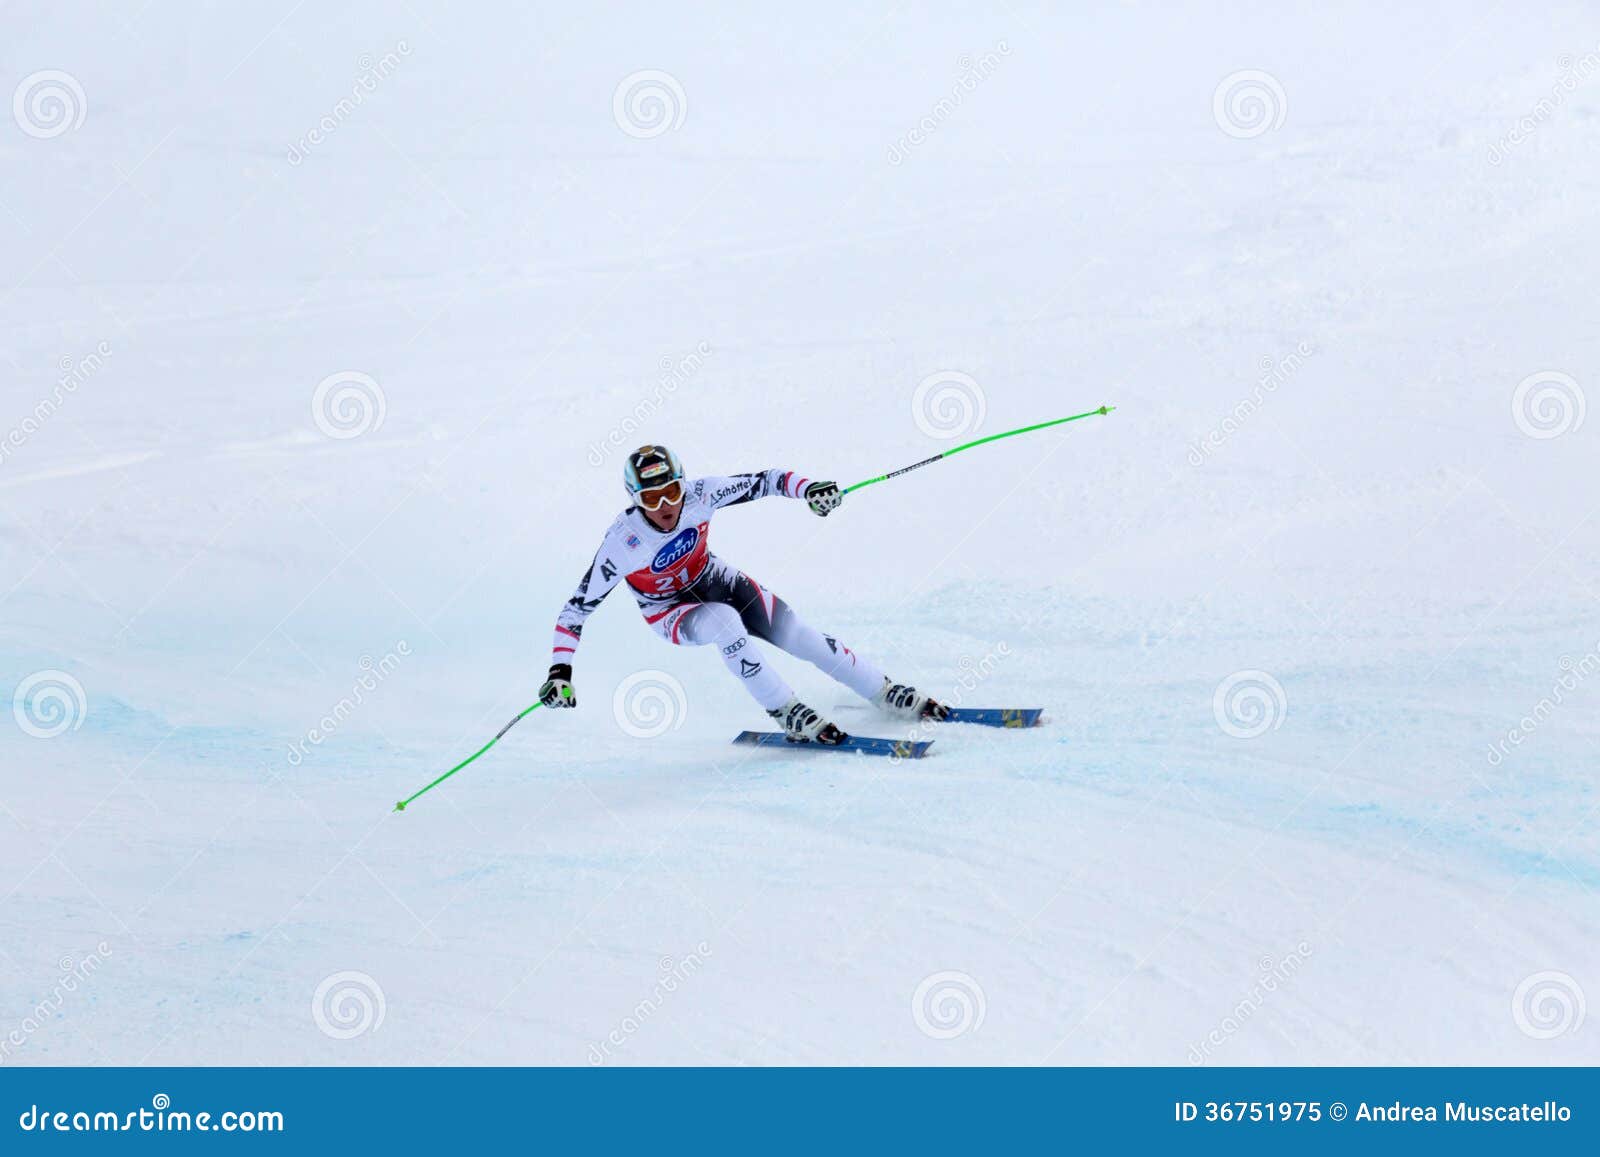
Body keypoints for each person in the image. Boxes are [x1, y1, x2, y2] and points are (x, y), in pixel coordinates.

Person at [538, 444, 949, 744]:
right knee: (724, 623)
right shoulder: (622, 544)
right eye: (650, 497)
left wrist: (809, 490)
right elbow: (575, 612)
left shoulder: (703, 494)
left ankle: (882, 690)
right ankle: (785, 709)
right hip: (669, 611)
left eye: (672, 492)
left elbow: (767, 481)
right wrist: (560, 672)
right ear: (634, 500)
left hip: (714, 578)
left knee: (797, 634)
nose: (665, 505)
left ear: (685, 486)